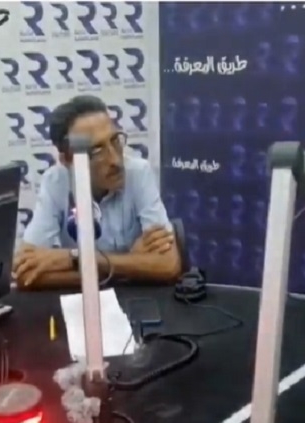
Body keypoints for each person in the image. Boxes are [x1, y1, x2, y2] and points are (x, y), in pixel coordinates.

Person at [14, 95, 182, 289]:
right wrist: (132, 266)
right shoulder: (55, 182)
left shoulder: (138, 173)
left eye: (115, 141)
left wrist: (73, 259)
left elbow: (169, 265)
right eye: (97, 151)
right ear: (67, 160)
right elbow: (25, 274)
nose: (115, 160)